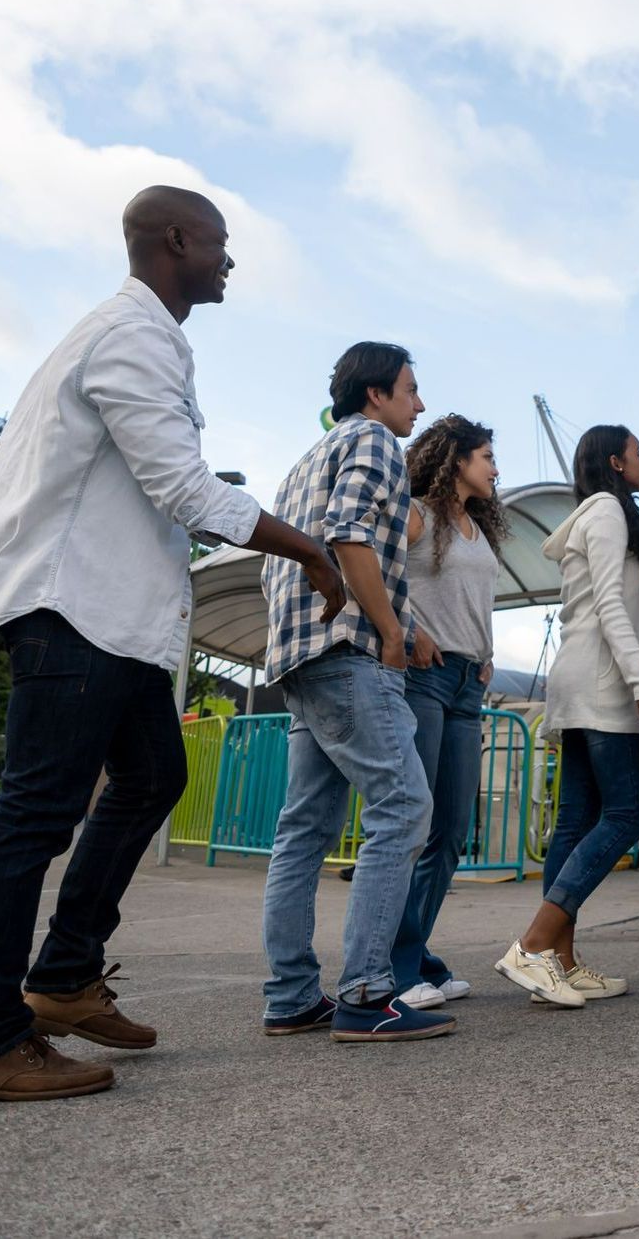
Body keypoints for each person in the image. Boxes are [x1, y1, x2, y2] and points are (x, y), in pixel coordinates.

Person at [0, 186, 344, 1105]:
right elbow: (183, 487)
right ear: (176, 241)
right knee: (34, 817)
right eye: (220, 242)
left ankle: (63, 975)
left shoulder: (150, 340)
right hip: (69, 607)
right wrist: (311, 549)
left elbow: (164, 486)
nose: (231, 259)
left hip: (111, 617)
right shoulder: (128, 335)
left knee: (154, 776)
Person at [260, 341, 455, 1043]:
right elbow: (348, 536)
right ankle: (368, 993)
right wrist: (388, 631)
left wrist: (401, 622)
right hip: (348, 651)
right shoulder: (374, 438)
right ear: (376, 394)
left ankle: (288, 995)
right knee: (403, 804)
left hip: (297, 656)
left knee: (303, 829)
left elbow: (290, 555)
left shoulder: (304, 460)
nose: (419, 404)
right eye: (410, 389)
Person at [498, 426, 639, 1006]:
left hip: (581, 676)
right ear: (617, 462)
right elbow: (614, 604)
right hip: (602, 680)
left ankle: (560, 962)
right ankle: (535, 945)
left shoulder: (598, 515)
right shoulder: (606, 512)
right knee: (626, 815)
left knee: (576, 821)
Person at [390, 415, 506, 1010]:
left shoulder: (477, 529)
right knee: (416, 826)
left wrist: (487, 657)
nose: (494, 466)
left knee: (452, 831)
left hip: (467, 684)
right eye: (485, 455)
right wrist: (406, 631)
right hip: (425, 679)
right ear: (456, 458)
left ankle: (414, 952)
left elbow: (475, 601)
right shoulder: (417, 512)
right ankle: (399, 965)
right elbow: (374, 573)